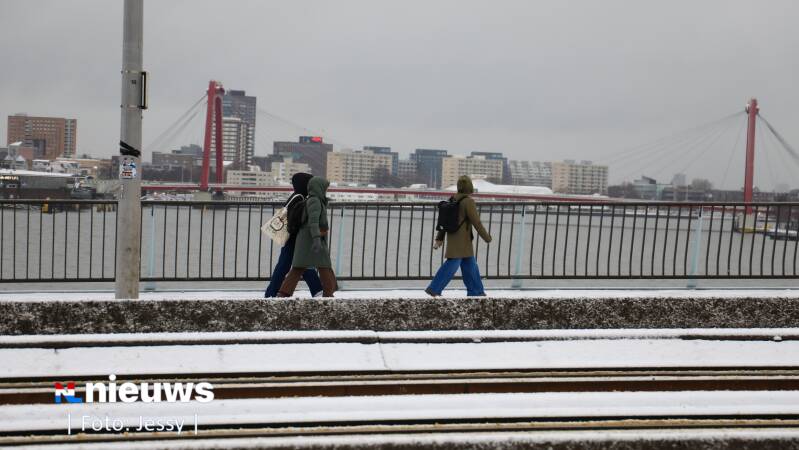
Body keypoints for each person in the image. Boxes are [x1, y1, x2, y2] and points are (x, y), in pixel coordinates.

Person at [427, 175, 492, 297]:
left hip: (454, 238)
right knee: (453, 263)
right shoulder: (468, 202)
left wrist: (439, 238)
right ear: (469, 187)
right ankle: (434, 288)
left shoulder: (452, 199)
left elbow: (444, 221)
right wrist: (487, 237)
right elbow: (476, 222)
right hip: (463, 240)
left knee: (470, 265)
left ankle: (476, 291)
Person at [264, 173, 323, 298]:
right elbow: (296, 218)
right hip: (295, 237)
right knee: (297, 265)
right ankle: (317, 290)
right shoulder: (299, 198)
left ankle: (271, 293)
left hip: (292, 237)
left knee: (289, 265)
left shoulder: (296, 196)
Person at [277, 176, 338, 297]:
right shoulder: (315, 201)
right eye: (325, 188)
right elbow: (313, 222)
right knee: (322, 265)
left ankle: (284, 293)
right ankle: (328, 293)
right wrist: (316, 239)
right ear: (319, 188)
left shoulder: (313, 200)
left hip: (309, 238)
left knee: (303, 266)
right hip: (311, 239)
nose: (326, 190)